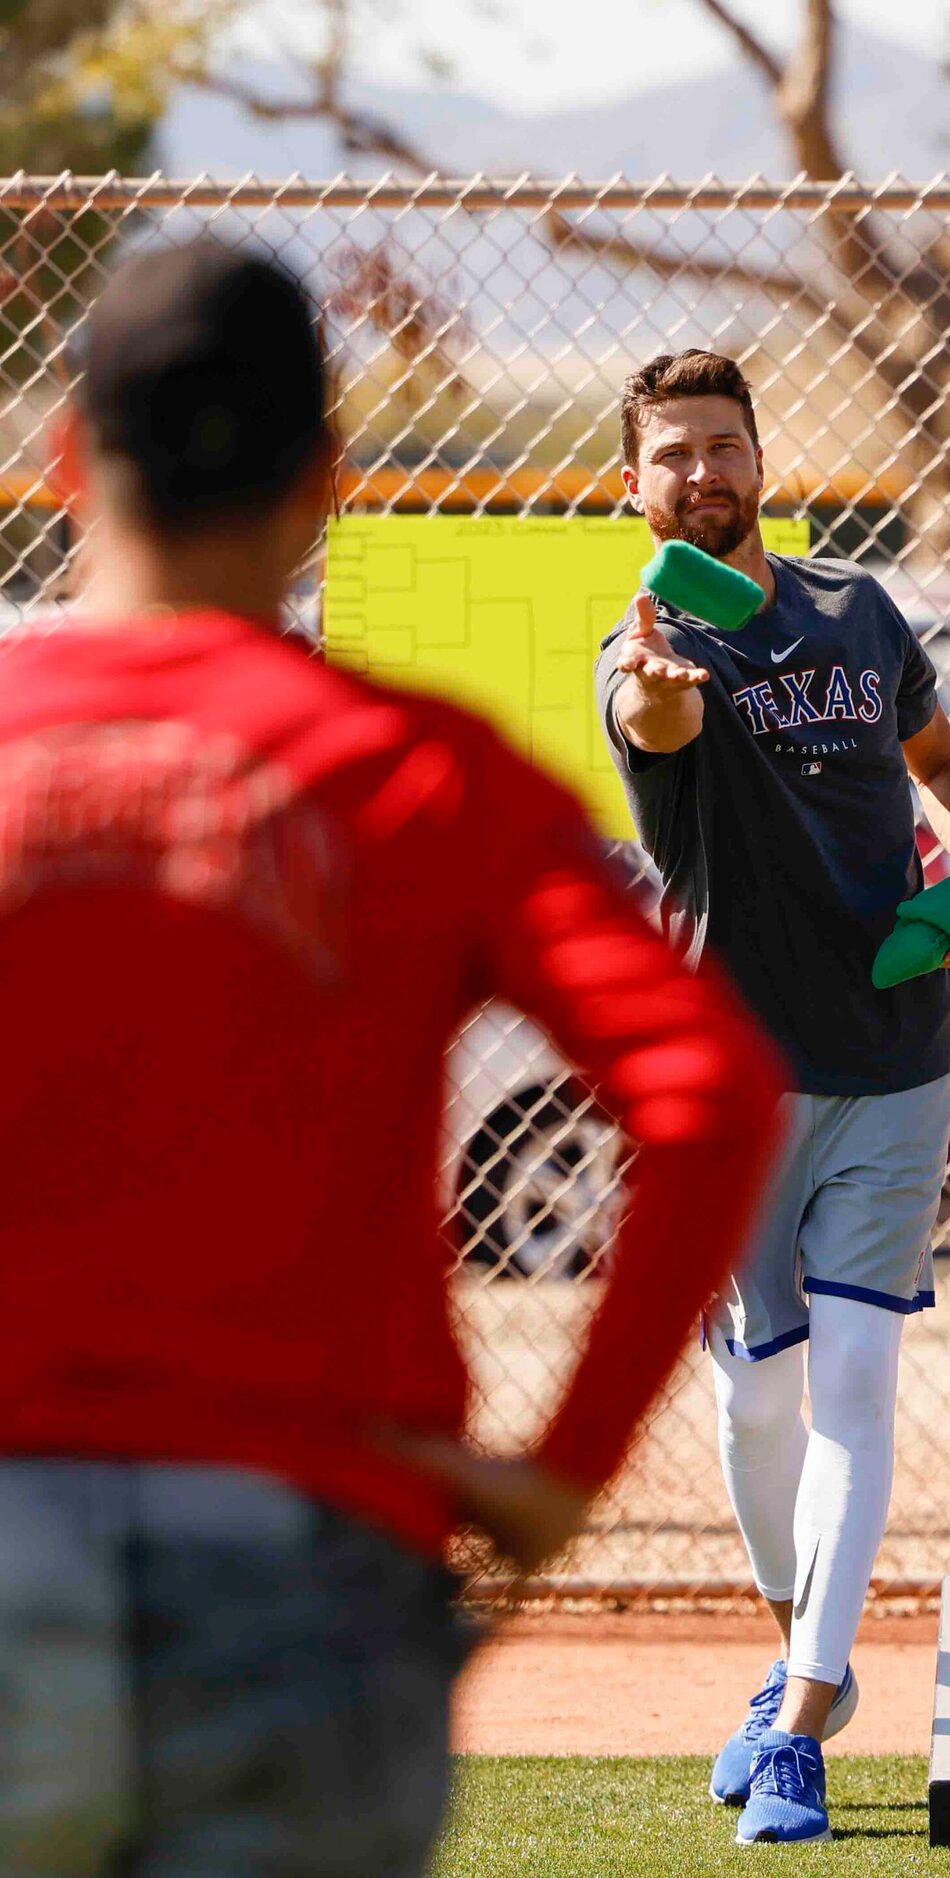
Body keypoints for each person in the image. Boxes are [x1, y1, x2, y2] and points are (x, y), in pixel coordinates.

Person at [0, 241, 786, 1877]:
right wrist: (558, 1474)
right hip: (304, 1549)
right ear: (328, 486)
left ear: (64, 461)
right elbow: (707, 1092)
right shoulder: (422, 771)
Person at [598, 349, 950, 1846]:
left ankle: (800, 1714)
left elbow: (946, 756)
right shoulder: (644, 650)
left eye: (727, 444)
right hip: (735, 1078)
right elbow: (656, 730)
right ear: (632, 486)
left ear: (762, 457)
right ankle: (797, 1648)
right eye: (675, 455)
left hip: (902, 1052)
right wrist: (656, 693)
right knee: (753, 1395)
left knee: (853, 1385)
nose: (705, 471)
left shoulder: (860, 609)